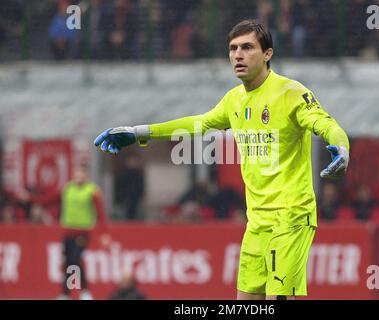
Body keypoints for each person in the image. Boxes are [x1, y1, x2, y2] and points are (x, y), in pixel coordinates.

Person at [94, 20, 349, 300]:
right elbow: (197, 124)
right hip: (257, 220)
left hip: (291, 217)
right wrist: (138, 133)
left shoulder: (291, 93)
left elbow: (325, 124)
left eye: (248, 48)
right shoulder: (233, 100)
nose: (238, 55)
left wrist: (341, 147)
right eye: (233, 49)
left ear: (268, 54)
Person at [25, 164, 110, 300]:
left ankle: (83, 292)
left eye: (81, 174)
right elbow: (48, 200)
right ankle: (68, 294)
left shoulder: (92, 191)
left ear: (86, 176)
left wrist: (104, 233)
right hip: (67, 232)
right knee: (70, 262)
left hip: (82, 232)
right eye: (76, 173)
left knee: (75, 260)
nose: (78, 176)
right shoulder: (67, 189)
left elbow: (100, 213)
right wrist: (30, 198)